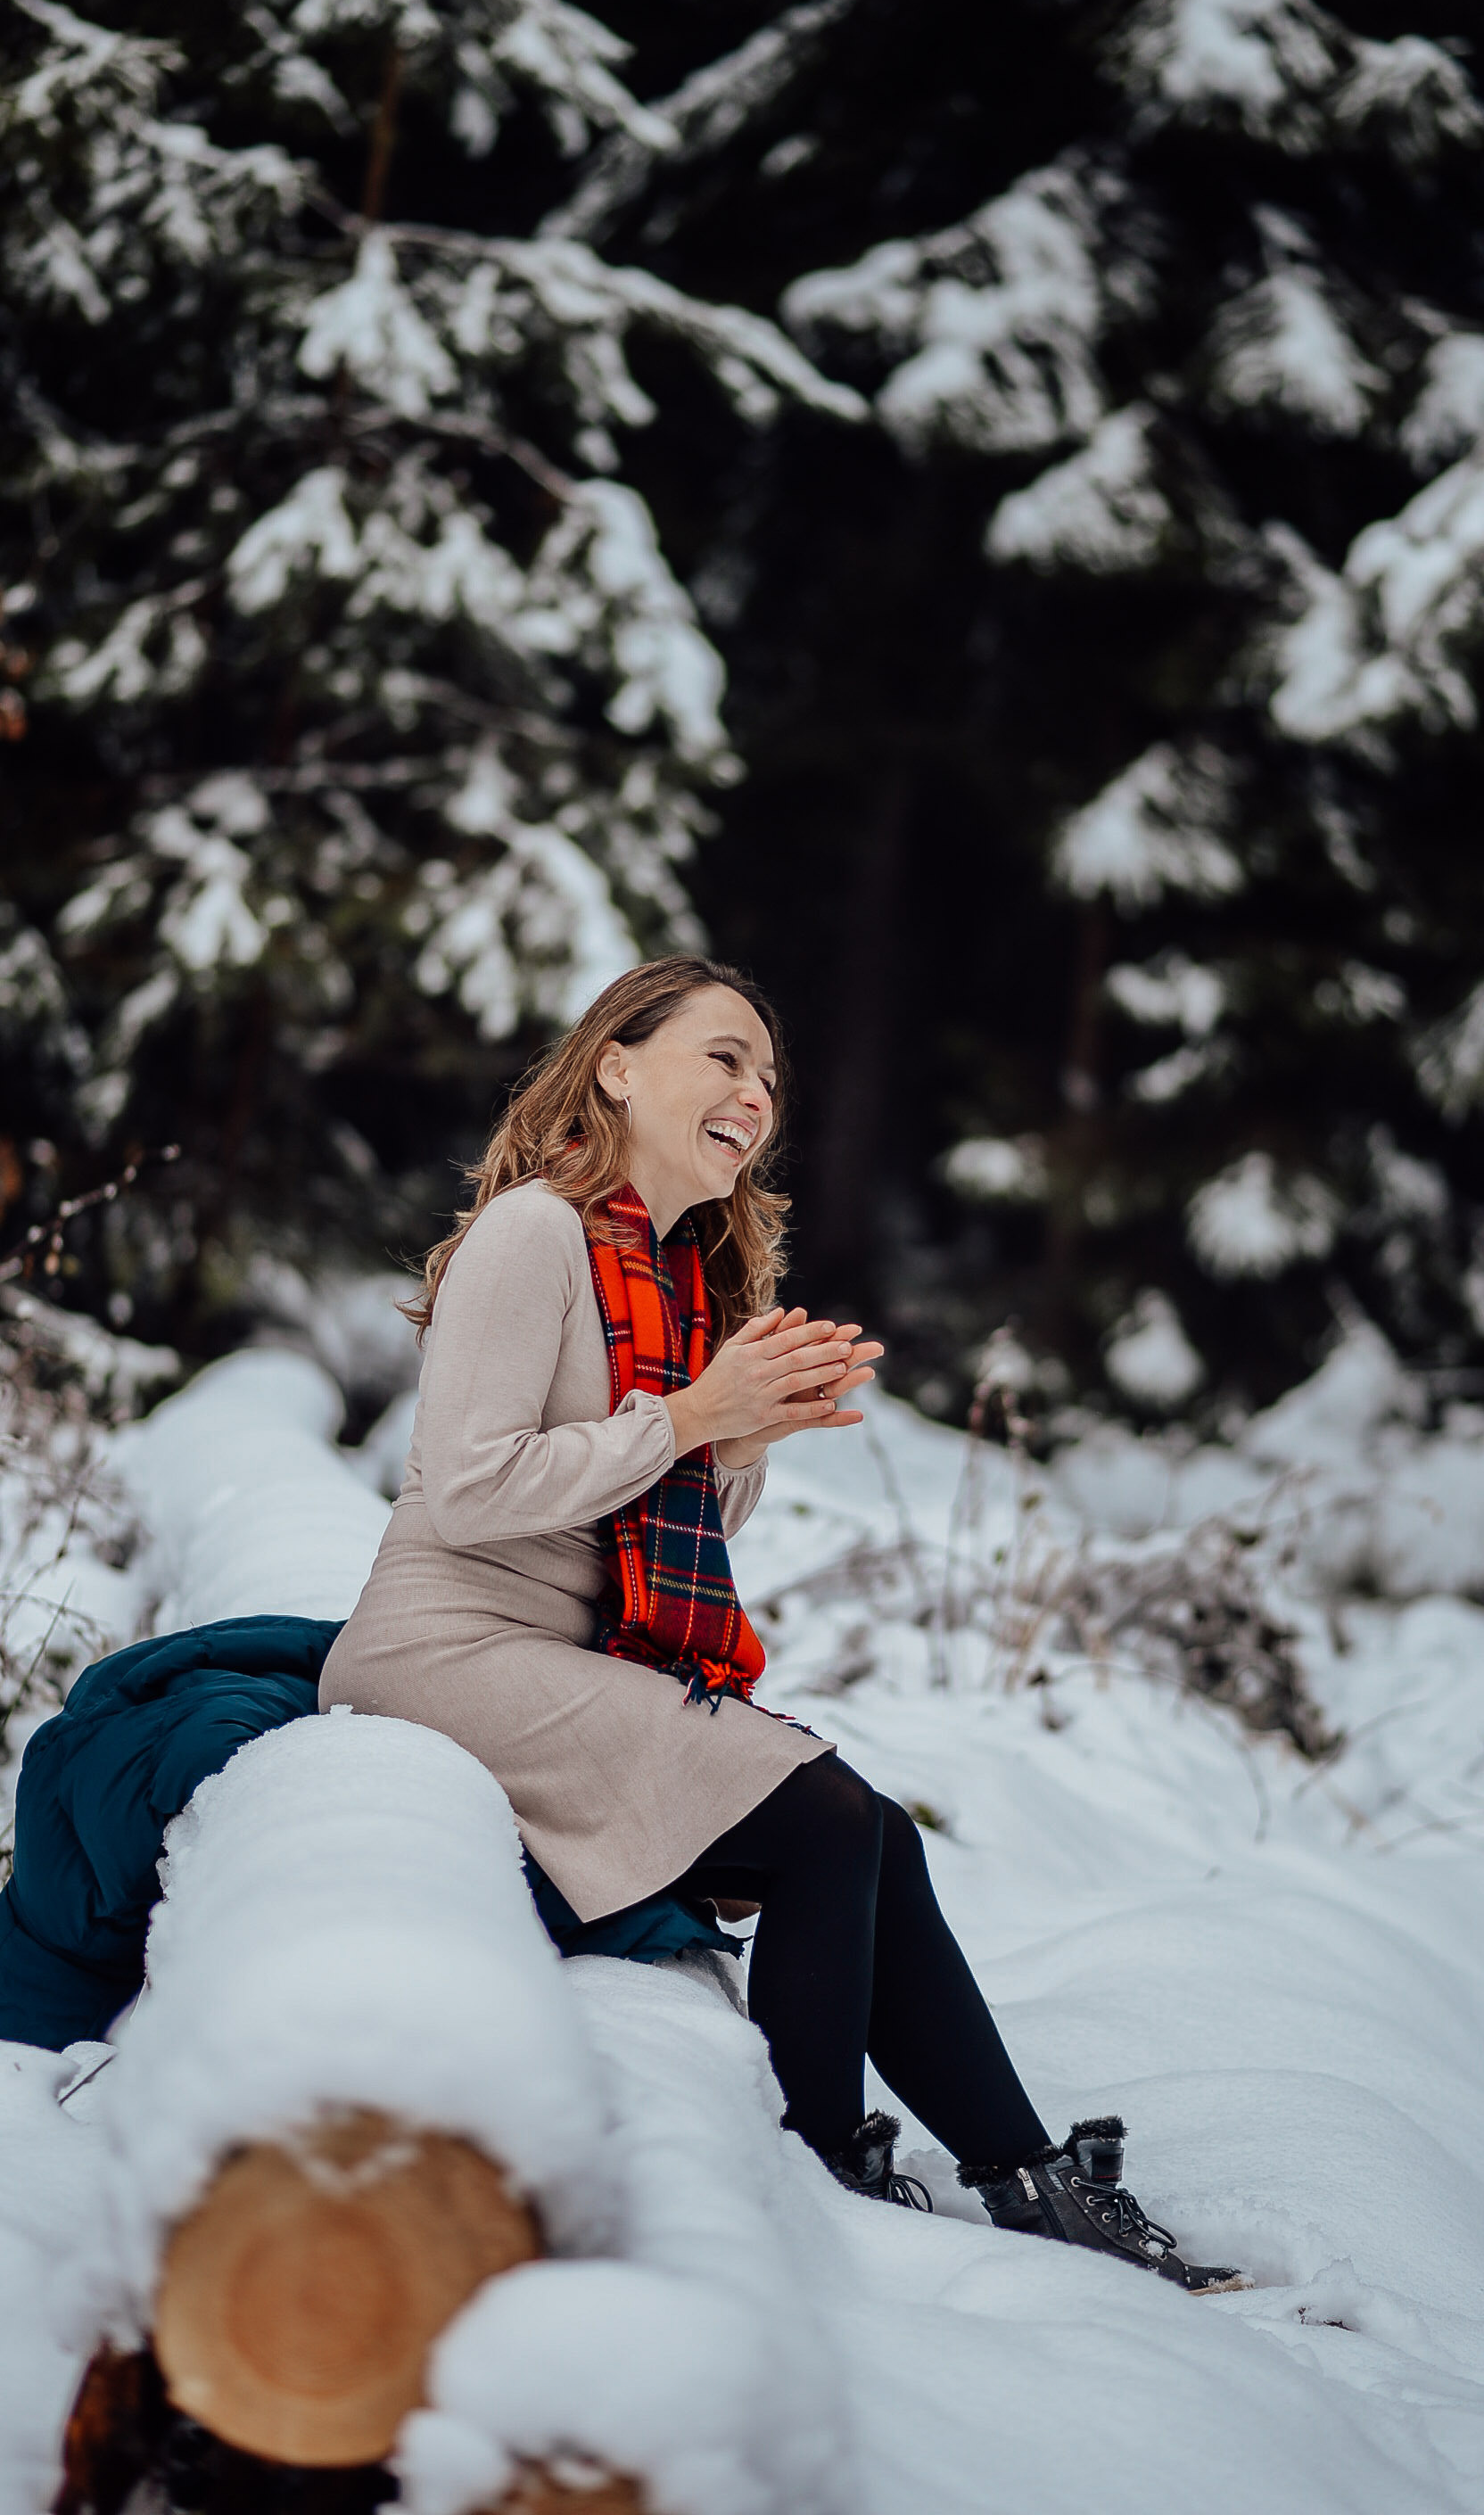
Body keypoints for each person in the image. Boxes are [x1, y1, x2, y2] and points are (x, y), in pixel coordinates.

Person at [321, 956, 1244, 2292]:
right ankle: (819, 2172)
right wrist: (694, 1418)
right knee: (823, 1822)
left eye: (768, 1073)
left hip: (551, 1663)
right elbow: (469, 1492)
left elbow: (659, 1510)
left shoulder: (686, 1274)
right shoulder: (538, 1232)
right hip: (446, 1655)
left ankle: (1028, 2178)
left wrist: (736, 1433)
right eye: (724, 1057)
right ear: (618, 1068)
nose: (756, 1091)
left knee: (872, 1837)